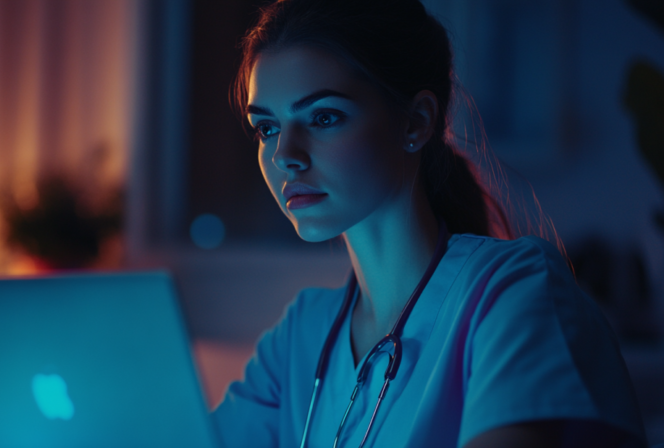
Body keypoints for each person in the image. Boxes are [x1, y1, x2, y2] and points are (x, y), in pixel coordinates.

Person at [211, 0, 647, 447]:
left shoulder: (515, 289)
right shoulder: (300, 335)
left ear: (416, 122)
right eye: (267, 128)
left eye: (324, 117)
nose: (285, 154)